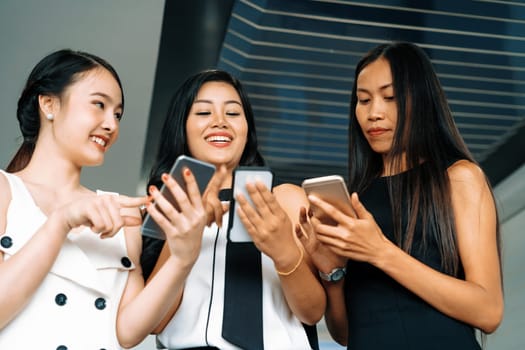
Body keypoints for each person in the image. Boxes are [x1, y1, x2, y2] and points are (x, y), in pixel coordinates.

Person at [0, 49, 224, 349]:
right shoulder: (5, 190)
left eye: (117, 114)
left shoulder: (122, 213)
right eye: (99, 105)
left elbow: (126, 333)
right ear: (49, 104)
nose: (111, 125)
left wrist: (183, 259)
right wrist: (61, 222)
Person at [296, 41, 504, 350]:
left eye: (390, 97)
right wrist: (332, 272)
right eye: (363, 100)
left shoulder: (459, 178)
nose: (374, 113)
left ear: (421, 100)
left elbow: (488, 311)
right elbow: (344, 334)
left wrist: (380, 251)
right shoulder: (355, 198)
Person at [140, 69, 326, 350]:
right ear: (182, 126)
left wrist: (283, 251)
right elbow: (155, 322)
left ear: (247, 128)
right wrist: (184, 230)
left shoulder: (285, 200)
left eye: (233, 113)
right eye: (203, 113)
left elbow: (312, 312)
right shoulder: (163, 211)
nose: (220, 122)